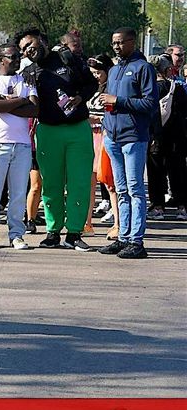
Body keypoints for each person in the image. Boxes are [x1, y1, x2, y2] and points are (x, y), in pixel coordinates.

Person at [17, 28, 97, 252]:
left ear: (41, 40)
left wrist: (79, 97)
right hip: (48, 131)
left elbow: (90, 83)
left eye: (30, 44)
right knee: (51, 184)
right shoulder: (29, 72)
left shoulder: (67, 58)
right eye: (23, 49)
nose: (27, 50)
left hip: (77, 129)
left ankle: (74, 233)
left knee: (79, 182)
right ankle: (53, 232)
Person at [94, 28, 158, 258]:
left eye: (121, 42)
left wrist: (118, 100)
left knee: (135, 190)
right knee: (120, 189)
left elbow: (150, 104)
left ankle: (137, 241)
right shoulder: (113, 70)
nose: (117, 47)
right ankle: (123, 236)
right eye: (114, 43)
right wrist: (108, 110)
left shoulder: (143, 68)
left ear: (133, 42)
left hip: (133, 137)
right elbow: (112, 102)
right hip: (112, 135)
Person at [0, 44, 37, 249]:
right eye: (12, 57)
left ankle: (17, 234)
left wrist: (7, 100)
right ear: (0, 59)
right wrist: (20, 100)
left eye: (18, 56)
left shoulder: (25, 79)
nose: (17, 60)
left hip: (21, 144)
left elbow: (34, 109)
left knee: (19, 192)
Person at [147, 53, 186, 222]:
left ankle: (158, 207)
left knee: (155, 172)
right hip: (176, 137)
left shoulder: (148, 89)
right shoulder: (176, 88)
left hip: (155, 136)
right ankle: (182, 207)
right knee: (178, 171)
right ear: (167, 69)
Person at [85, 55, 120, 240]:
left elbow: (114, 114)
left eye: (99, 72)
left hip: (105, 136)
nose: (96, 76)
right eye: (93, 73)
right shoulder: (90, 89)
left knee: (110, 183)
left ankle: (118, 223)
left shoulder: (112, 89)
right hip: (89, 136)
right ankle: (87, 221)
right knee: (88, 182)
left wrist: (97, 119)